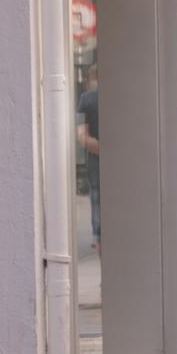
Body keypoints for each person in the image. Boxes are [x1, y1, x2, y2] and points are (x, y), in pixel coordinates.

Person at [77, 65, 101, 250]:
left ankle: (98, 237)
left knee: (97, 202)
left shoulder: (86, 99)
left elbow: (81, 136)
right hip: (119, 166)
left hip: (96, 163)